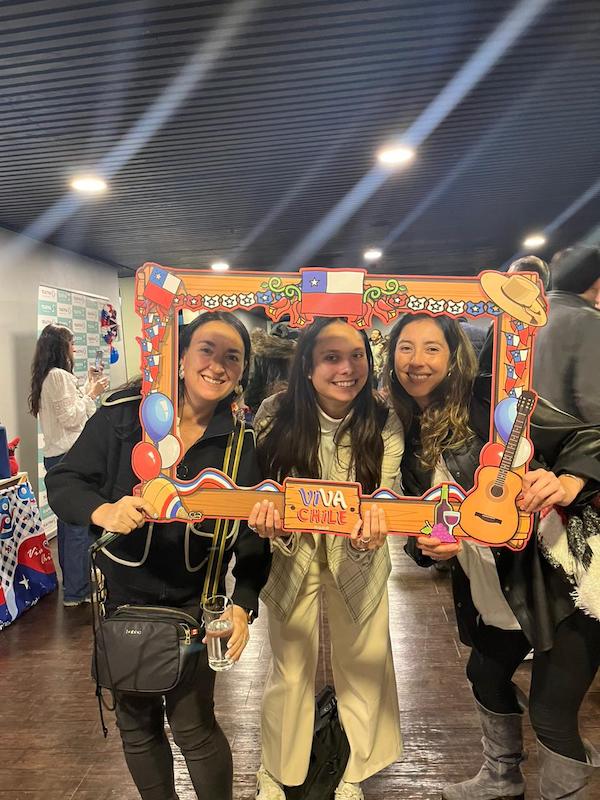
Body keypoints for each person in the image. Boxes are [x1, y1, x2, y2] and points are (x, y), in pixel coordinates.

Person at [46, 311, 271, 800]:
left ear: (242, 371)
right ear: (180, 356)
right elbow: (64, 482)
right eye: (206, 350)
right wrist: (104, 510)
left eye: (232, 357)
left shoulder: (241, 441)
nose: (217, 365)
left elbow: (254, 538)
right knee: (136, 725)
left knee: (194, 727)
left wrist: (243, 604)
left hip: (196, 605)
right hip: (124, 601)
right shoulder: (123, 416)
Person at [385, 312, 600, 800]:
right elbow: (424, 524)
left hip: (556, 578)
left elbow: (588, 436)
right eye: (406, 347)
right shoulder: (407, 432)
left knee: (550, 713)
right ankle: (502, 778)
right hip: (490, 588)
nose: (417, 361)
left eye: (432, 348)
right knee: (485, 673)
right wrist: (429, 548)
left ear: (454, 356)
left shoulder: (494, 402)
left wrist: (568, 481)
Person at [249, 318, 404, 800]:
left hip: (359, 555)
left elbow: (387, 494)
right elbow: (261, 489)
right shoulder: (274, 413)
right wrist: (266, 521)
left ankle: (354, 771)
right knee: (289, 665)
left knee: (365, 661)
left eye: (356, 356)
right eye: (331, 357)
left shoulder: (383, 418)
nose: (347, 369)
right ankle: (276, 769)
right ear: (307, 366)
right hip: (291, 554)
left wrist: (375, 528)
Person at [29, 323, 108, 606]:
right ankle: (77, 590)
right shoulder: (58, 376)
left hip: (58, 457)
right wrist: (92, 393)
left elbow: (70, 411)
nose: (74, 350)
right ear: (62, 347)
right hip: (68, 457)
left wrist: (88, 387)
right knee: (78, 526)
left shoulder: (49, 377)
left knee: (68, 526)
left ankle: (75, 584)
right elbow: (73, 418)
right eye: (71, 344)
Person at [533, 246, 600, 422]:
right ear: (596, 281)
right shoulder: (589, 321)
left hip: (525, 430)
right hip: (568, 434)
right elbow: (593, 401)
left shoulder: (529, 314)